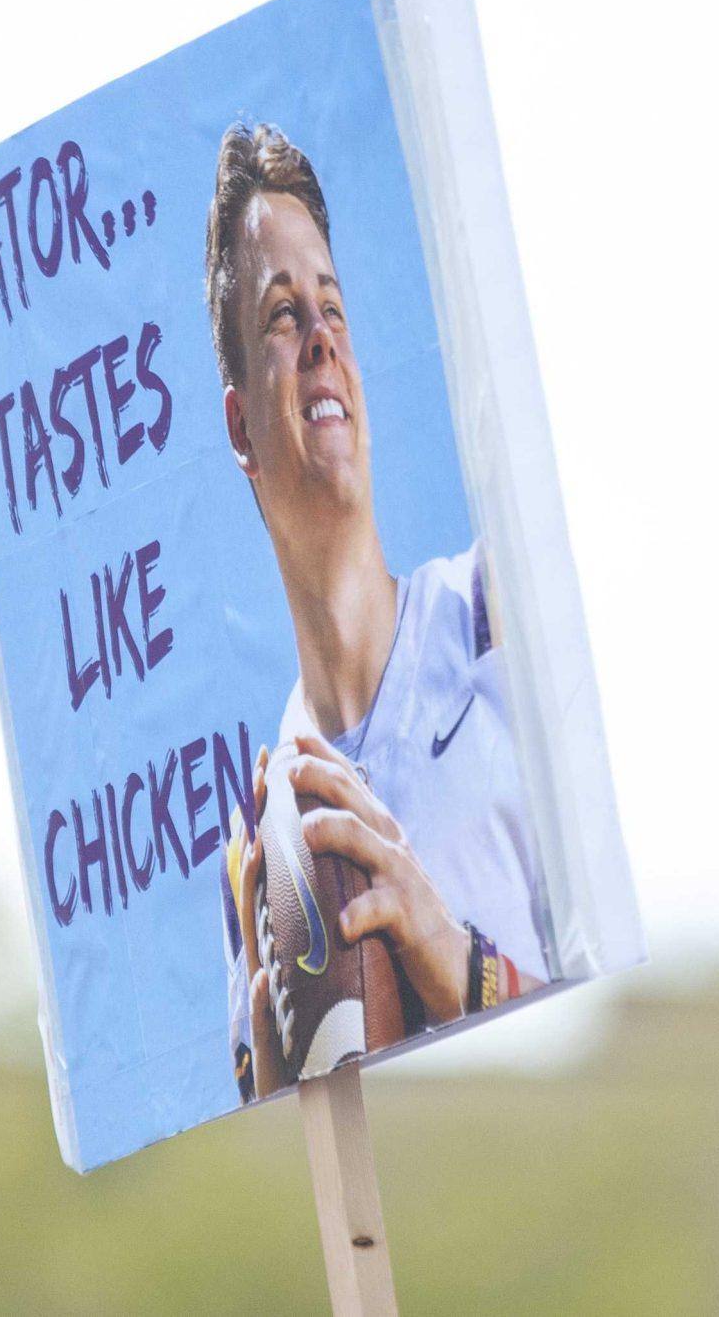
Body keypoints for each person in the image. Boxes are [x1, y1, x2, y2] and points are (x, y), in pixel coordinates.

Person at [205, 122, 545, 1102]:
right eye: (281, 314)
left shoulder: (496, 611)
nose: (319, 336)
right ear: (239, 425)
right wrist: (282, 1087)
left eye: (333, 308)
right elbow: (268, 1166)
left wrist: (442, 947)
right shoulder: (260, 839)